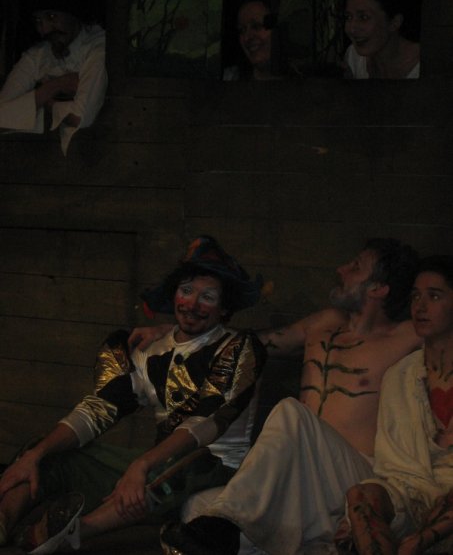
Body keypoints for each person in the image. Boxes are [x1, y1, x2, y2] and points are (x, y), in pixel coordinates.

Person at [132, 237, 420, 555]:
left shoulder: (407, 336)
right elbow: (248, 346)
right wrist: (177, 334)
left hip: (354, 478)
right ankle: (244, 533)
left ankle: (227, 528)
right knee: (198, 508)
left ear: (379, 288)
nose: (341, 270)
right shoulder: (324, 323)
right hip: (304, 480)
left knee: (291, 414)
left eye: (355, 267)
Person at [0, 235, 266, 553]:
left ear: (223, 309)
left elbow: (206, 423)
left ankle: (74, 533)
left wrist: (141, 465)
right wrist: (37, 454)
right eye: (186, 291)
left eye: (207, 297)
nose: (193, 304)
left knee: (185, 465)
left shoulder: (238, 348)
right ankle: (3, 521)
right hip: (158, 463)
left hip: (217, 466)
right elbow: (100, 408)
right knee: (47, 452)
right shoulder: (149, 348)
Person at [342, 256, 453, 555]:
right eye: (415, 296)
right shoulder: (400, 375)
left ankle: (418, 543)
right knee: (361, 496)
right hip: (411, 491)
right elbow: (393, 466)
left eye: (434, 296)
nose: (420, 306)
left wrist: (424, 536)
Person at [0, 0, 108, 155]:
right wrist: (55, 86)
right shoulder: (37, 55)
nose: (44, 29)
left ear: (73, 14)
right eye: (38, 21)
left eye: (52, 17)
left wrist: (44, 103)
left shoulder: (97, 48)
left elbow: (80, 117)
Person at [343, 0, 421, 79]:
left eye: (364, 17)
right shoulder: (354, 56)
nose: (351, 29)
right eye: (348, 17)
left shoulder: (425, 64)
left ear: (394, 23)